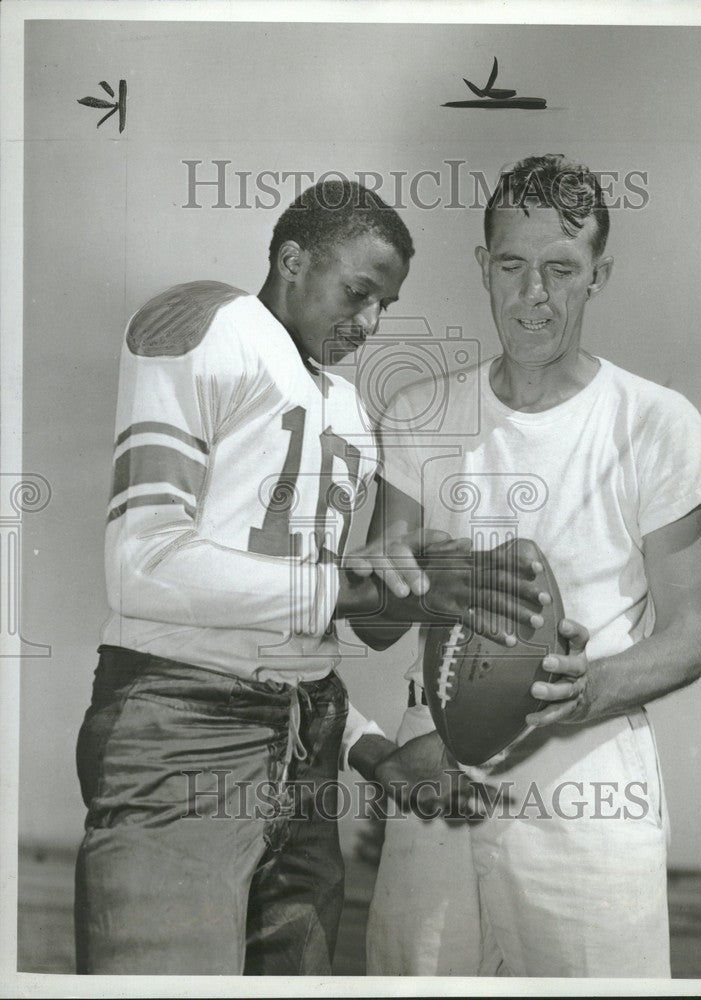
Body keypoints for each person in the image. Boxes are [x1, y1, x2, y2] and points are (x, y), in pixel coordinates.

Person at [74, 178, 542, 975]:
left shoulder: (352, 414)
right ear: (292, 259)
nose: (368, 323)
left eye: (385, 306)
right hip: (184, 736)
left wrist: (370, 751)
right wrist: (352, 590)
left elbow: (289, 636)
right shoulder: (211, 323)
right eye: (358, 293)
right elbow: (141, 564)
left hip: (310, 748)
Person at [357, 154, 701, 977]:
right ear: (482, 266)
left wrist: (575, 694)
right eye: (513, 265)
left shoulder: (657, 421)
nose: (534, 294)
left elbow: (691, 633)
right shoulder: (420, 412)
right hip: (435, 767)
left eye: (561, 269)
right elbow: (382, 626)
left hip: (588, 778)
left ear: (599, 275)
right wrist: (382, 580)